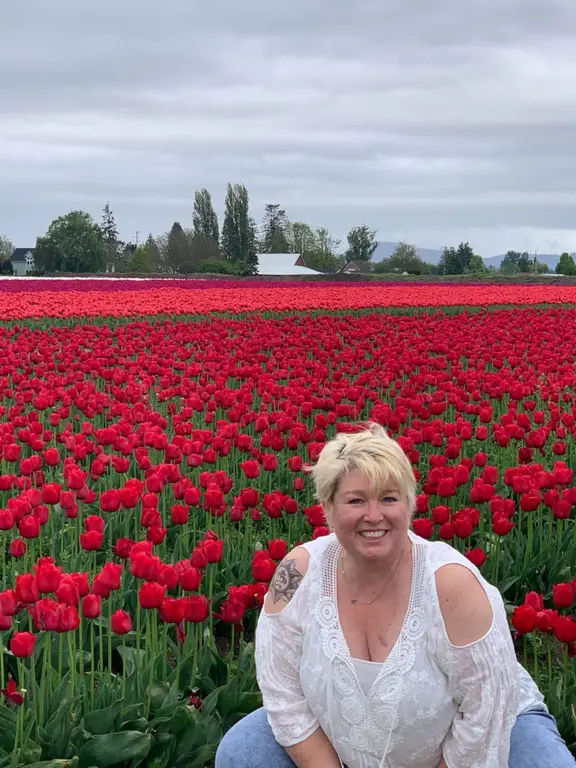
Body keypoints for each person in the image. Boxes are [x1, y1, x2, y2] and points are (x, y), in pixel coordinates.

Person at [215, 423, 575, 768]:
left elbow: (484, 715)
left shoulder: (451, 585)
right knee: (242, 752)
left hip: (486, 729)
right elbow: (282, 688)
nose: (374, 516)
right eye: (355, 500)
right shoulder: (297, 573)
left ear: (409, 503)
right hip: (344, 729)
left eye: (388, 498)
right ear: (327, 506)